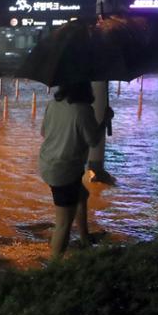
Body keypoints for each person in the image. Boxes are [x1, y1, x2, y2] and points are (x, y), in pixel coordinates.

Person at [39, 81, 114, 259]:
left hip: (47, 163)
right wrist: (105, 120)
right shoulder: (83, 110)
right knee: (64, 223)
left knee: (82, 195)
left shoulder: (53, 104)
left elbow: (43, 132)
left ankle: (84, 238)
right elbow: (93, 140)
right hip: (65, 169)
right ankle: (54, 268)